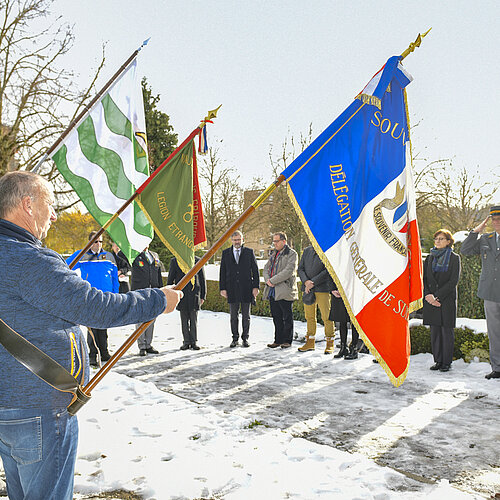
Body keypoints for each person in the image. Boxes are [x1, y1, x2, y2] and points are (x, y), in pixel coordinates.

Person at [0, 171, 182, 500]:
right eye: (50, 204)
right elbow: (97, 308)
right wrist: (158, 300)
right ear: (28, 204)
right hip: (39, 408)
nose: (54, 214)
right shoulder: (29, 260)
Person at [67, 231, 119, 367]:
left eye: (100, 241)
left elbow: (114, 278)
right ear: (89, 242)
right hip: (90, 297)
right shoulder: (83, 255)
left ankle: (104, 352)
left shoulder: (109, 256)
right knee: (92, 327)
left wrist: (116, 294)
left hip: (107, 297)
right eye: (95, 241)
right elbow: (66, 266)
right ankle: (92, 355)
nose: (98, 244)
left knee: (103, 326)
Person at [461, 206, 500, 379]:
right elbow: (466, 250)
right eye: (494, 219)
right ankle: (497, 368)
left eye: (499, 218)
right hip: (490, 293)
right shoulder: (486, 238)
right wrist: (475, 231)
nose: (496, 222)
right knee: (494, 332)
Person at [423, 229, 461, 372]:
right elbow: (425, 279)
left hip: (446, 300)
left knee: (446, 332)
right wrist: (428, 296)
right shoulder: (429, 258)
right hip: (431, 299)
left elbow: (453, 281)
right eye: (436, 239)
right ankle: (438, 360)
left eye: (441, 239)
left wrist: (437, 296)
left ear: (448, 241)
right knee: (435, 332)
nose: (438, 241)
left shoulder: (454, 258)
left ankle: (446, 362)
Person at [219, 230, 260, 347]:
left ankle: (245, 338)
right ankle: (235, 338)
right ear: (231, 241)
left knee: (246, 316)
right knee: (233, 316)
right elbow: (222, 271)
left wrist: (256, 287)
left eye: (239, 240)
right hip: (231, 289)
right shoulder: (225, 253)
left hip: (247, 288)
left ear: (242, 240)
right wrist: (222, 288)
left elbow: (255, 272)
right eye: (235, 240)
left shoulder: (249, 252)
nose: (237, 242)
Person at [297, 245, 335, 353]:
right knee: (309, 316)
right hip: (308, 289)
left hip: (322, 288)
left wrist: (313, 282)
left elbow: (327, 269)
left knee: (326, 316)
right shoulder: (307, 250)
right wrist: (306, 282)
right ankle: (310, 342)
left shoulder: (326, 249)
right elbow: (300, 268)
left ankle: (330, 342)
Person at [263, 232, 298, 349]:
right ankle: (277, 340)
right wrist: (268, 280)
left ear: (284, 241)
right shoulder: (273, 254)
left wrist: (272, 280)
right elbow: (266, 268)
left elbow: (289, 271)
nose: (274, 243)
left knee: (286, 317)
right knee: (276, 316)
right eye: (273, 241)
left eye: (276, 241)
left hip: (285, 290)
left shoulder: (292, 254)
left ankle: (287, 340)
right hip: (272, 290)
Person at [167, 256, 206, 350]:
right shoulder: (175, 261)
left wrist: (203, 296)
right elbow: (170, 279)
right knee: (184, 320)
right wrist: (170, 294)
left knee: (194, 319)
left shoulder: (198, 260)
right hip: (181, 295)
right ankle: (186, 341)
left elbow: (202, 279)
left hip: (194, 294)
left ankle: (194, 342)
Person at [131, 246, 164, 356]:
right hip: (140, 292)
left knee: (151, 320)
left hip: (154, 292)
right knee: (140, 320)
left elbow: (158, 273)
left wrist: (161, 290)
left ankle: (148, 344)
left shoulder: (154, 255)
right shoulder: (134, 255)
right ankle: (141, 346)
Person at [329, 287, 360, 359]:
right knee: (342, 319)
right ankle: (343, 348)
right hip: (339, 290)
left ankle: (354, 349)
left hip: (354, 291)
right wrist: (332, 289)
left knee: (355, 321)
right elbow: (330, 276)